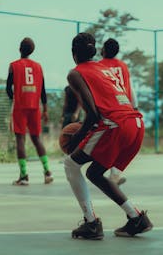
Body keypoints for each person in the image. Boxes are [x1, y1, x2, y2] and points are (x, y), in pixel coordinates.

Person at [64, 32, 153, 239]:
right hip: (136, 122)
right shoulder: (104, 69)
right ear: (94, 50)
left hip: (116, 124)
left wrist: (75, 139)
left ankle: (91, 223)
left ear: (73, 53)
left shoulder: (75, 73)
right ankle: (136, 218)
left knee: (70, 164)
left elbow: (93, 114)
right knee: (95, 173)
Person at [6, 37, 53, 186]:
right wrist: (45, 109)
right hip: (35, 106)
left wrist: (14, 98)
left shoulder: (14, 65)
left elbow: (8, 88)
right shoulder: (38, 67)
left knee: (20, 139)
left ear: (20, 48)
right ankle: (47, 172)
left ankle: (24, 176)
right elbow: (43, 91)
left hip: (20, 106)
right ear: (32, 51)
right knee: (36, 139)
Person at [99, 38, 138, 185]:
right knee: (118, 141)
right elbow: (130, 87)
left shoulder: (100, 66)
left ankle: (110, 171)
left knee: (107, 139)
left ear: (104, 50)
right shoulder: (123, 66)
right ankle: (115, 172)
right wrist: (134, 106)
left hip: (110, 108)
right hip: (126, 107)